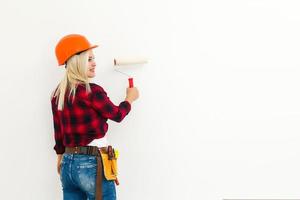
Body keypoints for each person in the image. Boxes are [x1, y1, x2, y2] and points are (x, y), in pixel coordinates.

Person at [50, 34, 139, 200]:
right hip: (92, 164)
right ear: (77, 62)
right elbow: (118, 115)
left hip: (67, 165)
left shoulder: (57, 94)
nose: (94, 63)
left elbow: (59, 133)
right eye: (89, 59)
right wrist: (130, 98)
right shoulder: (91, 91)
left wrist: (60, 158)